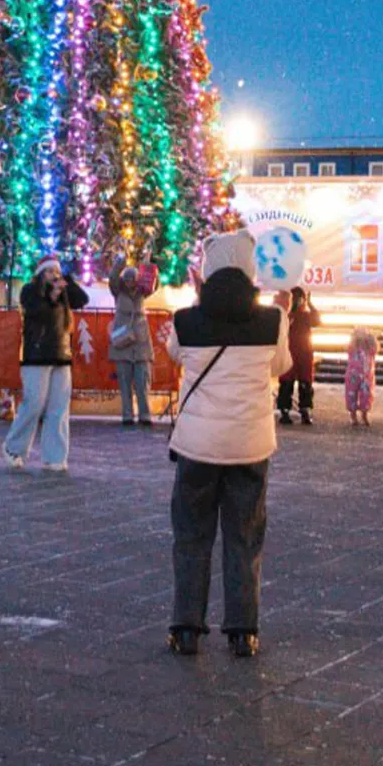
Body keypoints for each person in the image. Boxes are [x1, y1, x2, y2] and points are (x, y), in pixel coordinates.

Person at [165, 231, 290, 660]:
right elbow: (282, 366)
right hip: (250, 446)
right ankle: (243, 631)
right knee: (245, 536)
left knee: (191, 534)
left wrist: (200, 302)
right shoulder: (272, 320)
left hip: (197, 447)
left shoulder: (186, 320)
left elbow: (175, 354)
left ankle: (186, 628)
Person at [4, 255, 89, 472]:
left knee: (58, 408)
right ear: (41, 274)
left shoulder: (63, 294)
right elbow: (36, 311)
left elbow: (82, 299)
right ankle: (14, 448)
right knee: (34, 403)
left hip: (61, 355)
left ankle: (55, 457)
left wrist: (68, 281)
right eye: (49, 272)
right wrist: (52, 295)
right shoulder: (30, 291)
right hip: (37, 355)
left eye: (56, 272)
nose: (53, 276)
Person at [109, 254, 157, 427]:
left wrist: (149, 266)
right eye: (127, 279)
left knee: (142, 382)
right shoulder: (118, 292)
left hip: (141, 342)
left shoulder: (142, 292)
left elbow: (154, 284)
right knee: (124, 382)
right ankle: (127, 415)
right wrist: (119, 264)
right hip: (123, 341)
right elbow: (113, 279)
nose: (130, 282)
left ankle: (145, 415)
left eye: (133, 279)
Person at [276, 286, 322, 426]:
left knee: (302, 383)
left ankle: (301, 410)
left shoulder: (302, 315)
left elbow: (317, 321)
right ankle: (288, 411)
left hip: (301, 354)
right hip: (294, 353)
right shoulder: (287, 315)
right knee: (289, 383)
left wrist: (311, 305)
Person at [344, 327, 378, 427]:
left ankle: (364, 414)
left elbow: (375, 348)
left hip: (366, 375)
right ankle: (353, 414)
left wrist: (371, 339)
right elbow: (348, 348)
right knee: (351, 394)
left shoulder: (370, 348)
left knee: (366, 395)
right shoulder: (353, 346)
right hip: (353, 375)